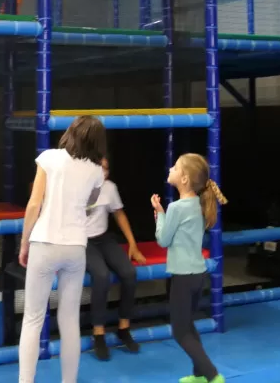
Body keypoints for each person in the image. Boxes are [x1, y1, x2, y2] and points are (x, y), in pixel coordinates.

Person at [18, 116, 106, 383]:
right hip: (75, 247)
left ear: (70, 132)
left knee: (33, 318)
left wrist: (24, 243)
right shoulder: (96, 171)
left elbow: (34, 205)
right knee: (69, 321)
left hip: (45, 242)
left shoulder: (49, 158)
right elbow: (91, 203)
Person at [152, 153, 227, 383]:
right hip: (197, 275)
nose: (170, 169)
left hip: (183, 277)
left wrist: (160, 215)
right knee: (188, 326)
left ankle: (213, 375)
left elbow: (163, 240)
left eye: (175, 167)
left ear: (184, 178)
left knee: (180, 331)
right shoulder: (198, 203)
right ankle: (199, 375)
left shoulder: (176, 207)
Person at [85, 156, 146, 360]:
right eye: (99, 167)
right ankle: (98, 333)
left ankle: (123, 327)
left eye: (106, 168)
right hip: (82, 241)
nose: (104, 172)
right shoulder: (76, 187)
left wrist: (133, 244)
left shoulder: (110, 187)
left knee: (129, 272)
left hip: (103, 238)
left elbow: (119, 215)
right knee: (101, 275)